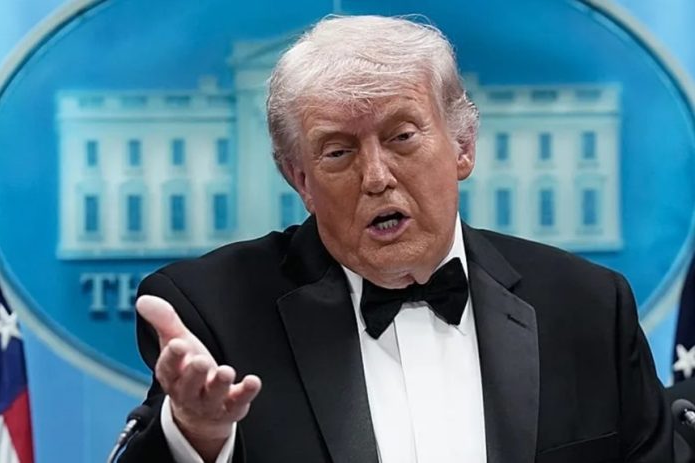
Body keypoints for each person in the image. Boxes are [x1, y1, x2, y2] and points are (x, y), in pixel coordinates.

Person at [119, 15, 673, 463]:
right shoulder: (213, 313)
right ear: (301, 180)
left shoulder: (588, 307)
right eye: (339, 151)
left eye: (402, 136)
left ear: (463, 146)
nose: (376, 177)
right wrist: (196, 435)